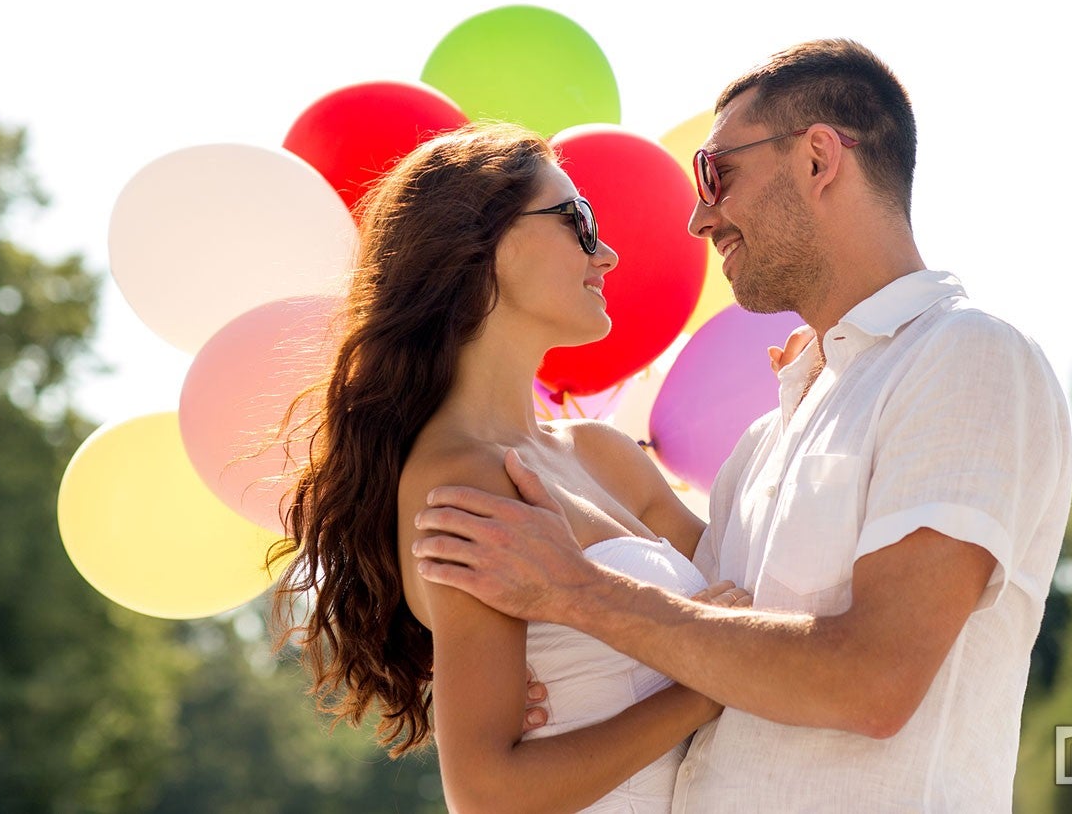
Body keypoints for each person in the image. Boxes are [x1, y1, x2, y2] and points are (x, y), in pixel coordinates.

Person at [411, 39, 1072, 812]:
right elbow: (704, 638)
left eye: (717, 175)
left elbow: (874, 683)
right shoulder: (766, 442)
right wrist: (561, 676)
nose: (699, 217)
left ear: (820, 159)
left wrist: (578, 596)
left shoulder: (965, 357)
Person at [267, 123, 756, 814]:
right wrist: (706, 686)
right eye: (577, 220)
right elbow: (488, 793)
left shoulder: (603, 454)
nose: (607, 253)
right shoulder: (460, 481)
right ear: (478, 248)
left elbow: (755, 586)